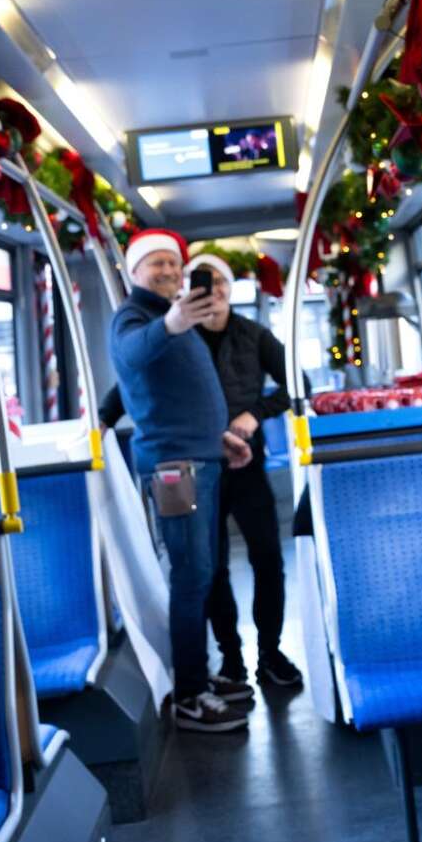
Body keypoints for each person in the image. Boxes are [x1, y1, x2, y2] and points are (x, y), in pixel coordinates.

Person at [109, 229, 256, 734]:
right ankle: (190, 695)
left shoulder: (175, 314)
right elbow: (130, 356)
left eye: (174, 264)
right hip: (174, 468)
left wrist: (216, 436)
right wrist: (170, 325)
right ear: (133, 273)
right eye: (156, 265)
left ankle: (199, 675)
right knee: (191, 577)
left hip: (198, 456)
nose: (169, 272)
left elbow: (172, 393)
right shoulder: (136, 317)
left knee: (204, 571)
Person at [182, 254, 302, 694]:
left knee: (268, 557)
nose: (212, 290)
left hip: (248, 464)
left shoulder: (254, 336)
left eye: (219, 283)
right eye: (203, 282)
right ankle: (231, 657)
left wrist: (256, 412)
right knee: (212, 567)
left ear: (231, 290)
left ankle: (270, 651)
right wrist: (100, 418)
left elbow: (296, 382)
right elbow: (137, 384)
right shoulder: (178, 337)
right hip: (201, 467)